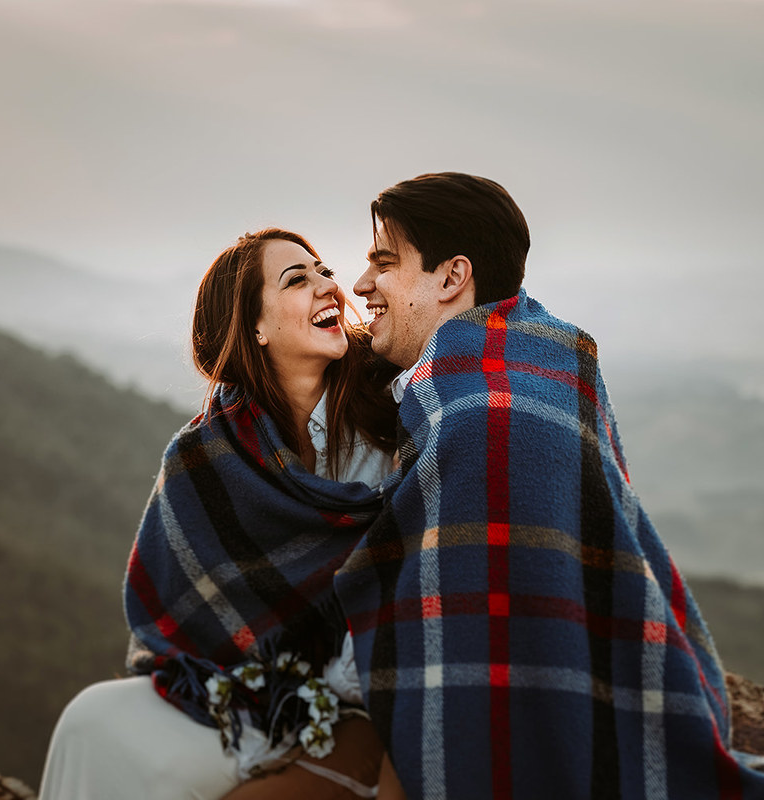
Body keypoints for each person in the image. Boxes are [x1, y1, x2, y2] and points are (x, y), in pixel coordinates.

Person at [333, 172, 764, 798]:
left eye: (384, 262)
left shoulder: (478, 413)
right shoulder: (547, 358)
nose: (362, 284)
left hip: (511, 713)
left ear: (452, 277)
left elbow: (469, 621)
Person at [39, 228, 407, 799]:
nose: (329, 287)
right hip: (235, 690)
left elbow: (399, 593)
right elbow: (180, 611)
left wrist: (322, 703)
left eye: (323, 271)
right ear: (255, 328)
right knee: (89, 722)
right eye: (297, 279)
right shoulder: (205, 455)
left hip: (351, 701)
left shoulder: (392, 425)